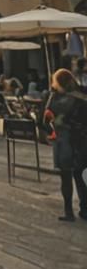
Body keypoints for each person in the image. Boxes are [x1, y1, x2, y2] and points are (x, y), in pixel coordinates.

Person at [43, 69, 87, 222]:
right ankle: (85, 209)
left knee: (66, 177)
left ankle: (69, 212)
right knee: (80, 176)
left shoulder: (56, 99)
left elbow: (45, 120)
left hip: (65, 141)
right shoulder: (82, 95)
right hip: (82, 142)